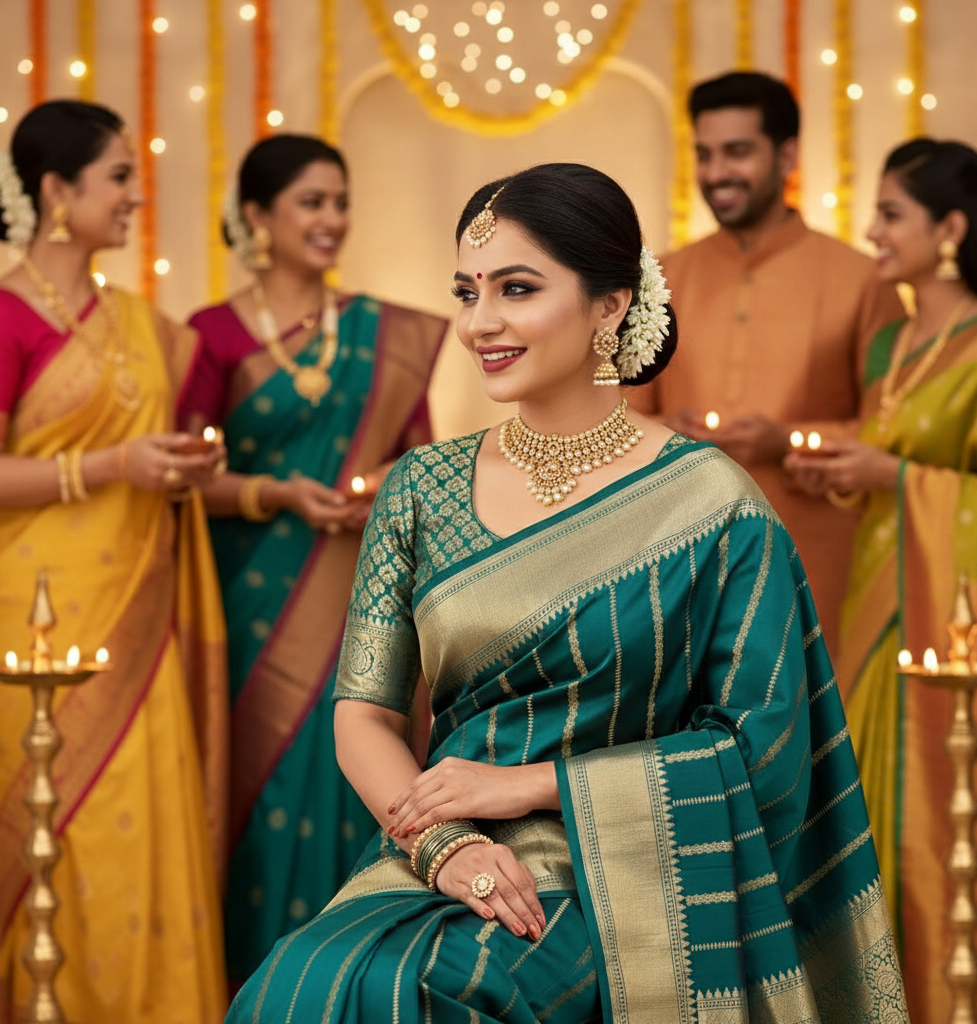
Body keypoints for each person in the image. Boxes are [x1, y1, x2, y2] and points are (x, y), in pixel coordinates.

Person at [225, 162, 908, 1022]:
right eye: (467, 292)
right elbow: (363, 715)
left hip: (636, 868)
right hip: (441, 855)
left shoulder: (710, 504)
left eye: (516, 289)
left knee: (452, 992)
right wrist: (446, 845)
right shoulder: (419, 489)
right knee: (301, 987)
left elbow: (764, 751)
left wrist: (527, 786)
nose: (481, 323)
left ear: (610, 305)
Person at [181, 134, 446, 985]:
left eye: (340, 201)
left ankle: (355, 985)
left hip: (362, 600)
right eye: (311, 202)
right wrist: (278, 494)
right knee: (257, 801)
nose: (332, 219)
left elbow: (424, 467)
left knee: (355, 783)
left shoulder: (384, 335)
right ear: (257, 216)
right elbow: (184, 477)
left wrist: (379, 498)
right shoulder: (212, 335)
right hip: (249, 608)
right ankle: (254, 987)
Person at [786, 138, 977, 1024]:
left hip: (951, 629)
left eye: (891, 214)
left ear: (951, 229)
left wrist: (898, 480)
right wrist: (846, 469)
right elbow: (887, 450)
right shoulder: (891, 340)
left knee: (924, 813)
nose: (872, 231)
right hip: (873, 600)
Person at [0, 100, 228, 1022]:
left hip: (137, 611)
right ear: (59, 191)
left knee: (134, 832)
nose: (138, 194)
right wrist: (110, 464)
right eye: (120, 176)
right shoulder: (8, 319)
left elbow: (155, 453)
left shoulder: (151, 327)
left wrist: (180, 467)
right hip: (32, 618)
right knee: (55, 828)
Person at [630, 71, 903, 652]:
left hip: (819, 560)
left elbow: (891, 434)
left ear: (787, 156)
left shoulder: (862, 281)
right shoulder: (661, 278)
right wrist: (662, 439)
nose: (715, 173)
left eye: (737, 152)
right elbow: (618, 416)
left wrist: (787, 441)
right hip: (683, 559)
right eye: (703, 154)